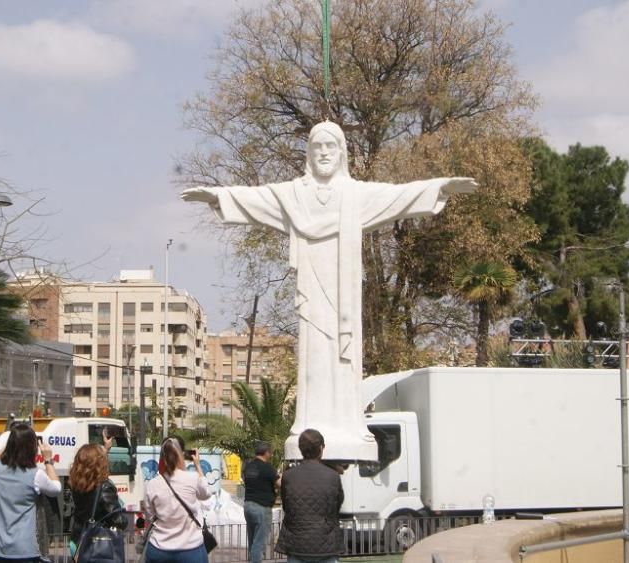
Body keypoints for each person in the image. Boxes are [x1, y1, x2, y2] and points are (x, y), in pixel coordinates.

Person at [182, 121, 478, 460]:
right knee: (313, 361)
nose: (323, 153)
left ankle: (348, 425)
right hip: (311, 298)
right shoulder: (293, 195)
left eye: (330, 146)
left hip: (343, 301)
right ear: (308, 154)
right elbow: (255, 198)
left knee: (343, 359)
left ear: (342, 153)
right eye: (317, 147)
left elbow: (400, 194)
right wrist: (218, 195)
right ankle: (310, 422)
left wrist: (440, 187)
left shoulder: (355, 195)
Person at [0, 423, 61, 563]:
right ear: (32, 447)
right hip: (24, 548)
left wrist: (10, 446)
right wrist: (48, 460)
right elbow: (56, 489)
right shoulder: (35, 475)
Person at [276, 429, 343, 563]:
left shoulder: (288, 476)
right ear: (321, 448)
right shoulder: (333, 476)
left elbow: (286, 506)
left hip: (296, 544)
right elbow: (337, 505)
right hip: (326, 543)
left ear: (301, 449)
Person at [142, 438, 211, 563]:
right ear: (181, 456)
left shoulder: (152, 484)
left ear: (162, 458)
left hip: (159, 548)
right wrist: (197, 465)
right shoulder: (192, 478)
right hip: (191, 549)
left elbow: (149, 514)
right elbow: (206, 494)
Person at [69, 440, 126, 549]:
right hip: (97, 545)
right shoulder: (105, 488)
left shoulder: (77, 485)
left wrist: (106, 448)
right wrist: (125, 519)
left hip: (77, 541)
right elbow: (118, 520)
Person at [243, 442, 279, 563]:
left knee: (252, 542)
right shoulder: (267, 467)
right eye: (271, 453)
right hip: (262, 507)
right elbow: (280, 483)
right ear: (267, 453)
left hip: (248, 505)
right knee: (259, 544)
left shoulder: (248, 467)